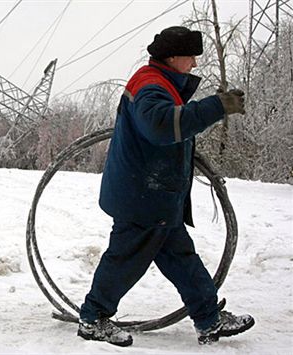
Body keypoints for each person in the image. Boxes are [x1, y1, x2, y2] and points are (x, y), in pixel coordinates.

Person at [77, 26, 254, 347]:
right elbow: (161, 125)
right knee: (125, 258)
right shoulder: (149, 86)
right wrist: (216, 106)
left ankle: (208, 319)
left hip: (155, 195)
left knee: (181, 258)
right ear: (173, 58)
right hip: (142, 196)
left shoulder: (158, 82)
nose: (195, 65)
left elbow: (167, 127)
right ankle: (93, 319)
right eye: (191, 57)